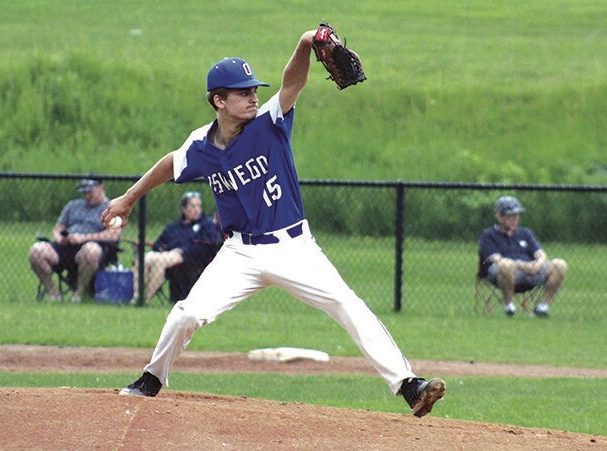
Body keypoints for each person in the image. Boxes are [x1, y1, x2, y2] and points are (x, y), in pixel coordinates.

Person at [102, 29, 446, 417]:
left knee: (346, 304)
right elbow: (171, 163)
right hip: (240, 253)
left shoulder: (269, 121)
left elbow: (292, 82)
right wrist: (128, 198)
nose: (252, 96)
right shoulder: (201, 145)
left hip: (293, 247)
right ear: (219, 100)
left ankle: (408, 384)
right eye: (243, 92)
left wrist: (304, 44)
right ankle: (151, 378)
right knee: (187, 314)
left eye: (253, 90)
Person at [29, 178, 122, 302]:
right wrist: (60, 238)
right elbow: (58, 229)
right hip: (66, 246)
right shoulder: (73, 206)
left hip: (94, 249)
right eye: (84, 193)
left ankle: (79, 295)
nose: (87, 196)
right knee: (36, 251)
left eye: (90, 192)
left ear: (101, 187)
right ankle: (53, 294)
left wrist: (83, 238)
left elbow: (113, 235)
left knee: (91, 250)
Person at [478, 195, 568, 317]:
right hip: (506, 274)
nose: (515, 219)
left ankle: (543, 308)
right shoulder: (489, 235)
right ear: (499, 216)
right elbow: (496, 259)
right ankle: (509, 307)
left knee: (560, 264)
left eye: (517, 215)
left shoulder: (525, 233)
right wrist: (523, 265)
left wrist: (538, 263)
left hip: (531, 272)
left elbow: (540, 253)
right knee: (505, 264)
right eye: (511, 215)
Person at [134, 191, 221, 303]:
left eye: (198, 206)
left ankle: (145, 299)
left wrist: (181, 251)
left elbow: (207, 245)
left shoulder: (207, 225)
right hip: (168, 255)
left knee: (159, 261)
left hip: (189, 258)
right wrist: (165, 248)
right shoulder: (174, 227)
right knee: (141, 260)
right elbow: (158, 244)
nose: (196, 209)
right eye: (192, 206)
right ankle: (137, 296)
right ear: (183, 209)